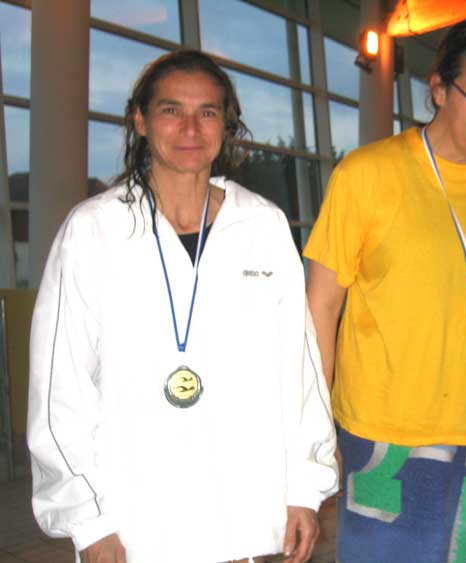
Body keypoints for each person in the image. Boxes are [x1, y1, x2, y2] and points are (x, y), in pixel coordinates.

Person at [27, 50, 338, 563]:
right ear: (140, 120)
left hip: (245, 521)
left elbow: (299, 371)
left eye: (207, 112)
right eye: (171, 110)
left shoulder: (261, 226)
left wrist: (305, 487)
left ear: (226, 125)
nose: (190, 128)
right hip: (136, 527)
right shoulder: (94, 231)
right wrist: (89, 522)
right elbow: (59, 390)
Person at [304, 16, 466, 563]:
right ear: (439, 89)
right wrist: (318, 433)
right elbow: (321, 308)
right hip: (384, 432)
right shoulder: (366, 175)